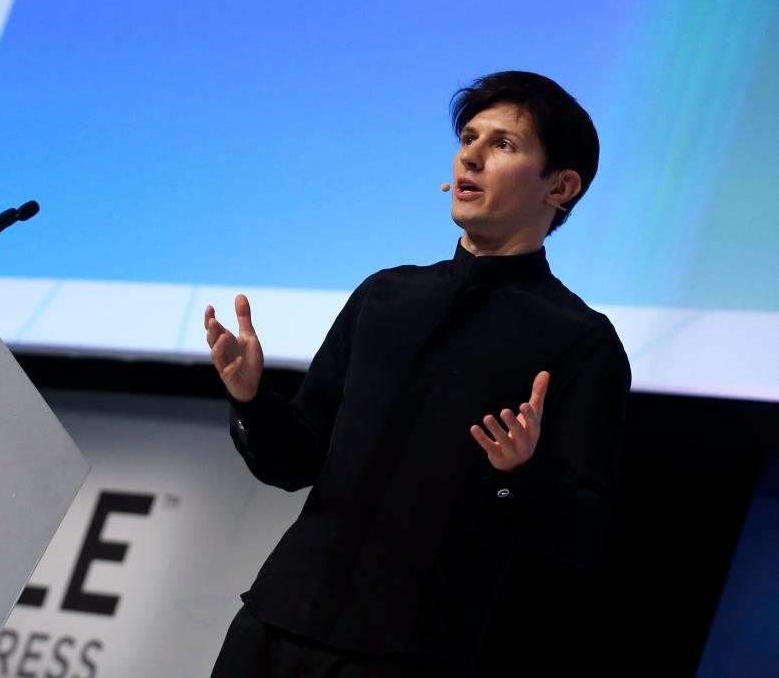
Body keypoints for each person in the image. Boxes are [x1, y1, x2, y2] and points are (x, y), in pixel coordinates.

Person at [204, 71, 631, 677]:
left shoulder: (579, 341)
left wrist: (519, 474)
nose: (471, 155)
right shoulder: (387, 296)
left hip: (408, 654)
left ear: (561, 186)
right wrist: (252, 400)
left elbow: (584, 538)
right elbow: (293, 463)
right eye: (468, 137)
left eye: (503, 144)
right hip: (274, 623)